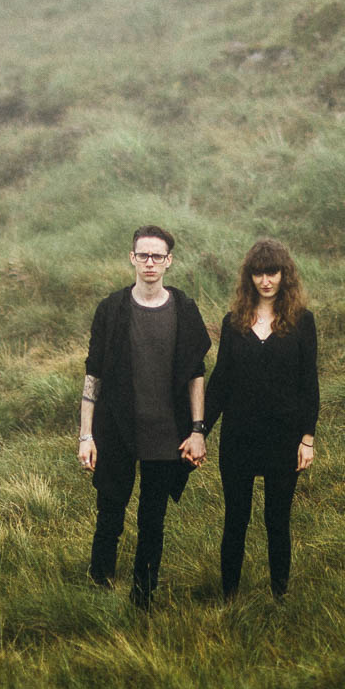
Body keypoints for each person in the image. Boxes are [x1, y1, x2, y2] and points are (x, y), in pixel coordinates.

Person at [79, 224, 211, 608]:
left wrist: (197, 430)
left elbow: (196, 374)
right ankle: (98, 590)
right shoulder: (111, 310)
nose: (149, 262)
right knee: (109, 514)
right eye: (143, 255)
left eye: (157, 256)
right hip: (116, 429)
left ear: (169, 261)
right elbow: (93, 375)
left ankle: (143, 599)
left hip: (166, 434)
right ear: (132, 258)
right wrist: (86, 435)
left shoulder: (184, 309)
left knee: (153, 521)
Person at [204, 237, 319, 599]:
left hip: (284, 438)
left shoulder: (302, 321)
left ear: (285, 274)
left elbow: (308, 384)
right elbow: (220, 382)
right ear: (249, 277)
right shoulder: (233, 322)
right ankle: (229, 598)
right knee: (235, 520)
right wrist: (199, 431)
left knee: (277, 521)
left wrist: (307, 438)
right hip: (238, 438)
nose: (265, 281)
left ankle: (279, 597)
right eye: (258, 273)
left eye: (272, 272)